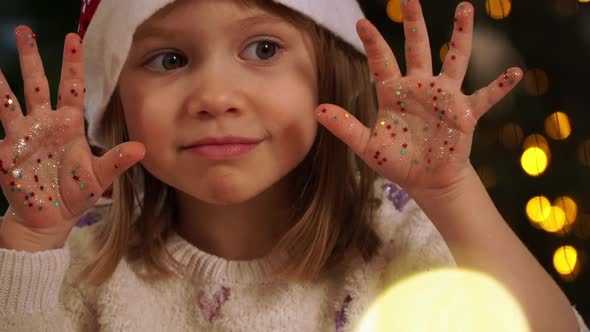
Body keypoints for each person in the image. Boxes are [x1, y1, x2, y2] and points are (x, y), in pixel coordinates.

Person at [0, 0, 587, 330]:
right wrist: (29, 242)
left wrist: (451, 190)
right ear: (116, 107)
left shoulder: (398, 238)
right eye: (169, 58)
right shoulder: (77, 267)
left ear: (330, 74)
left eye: (263, 49)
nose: (215, 96)